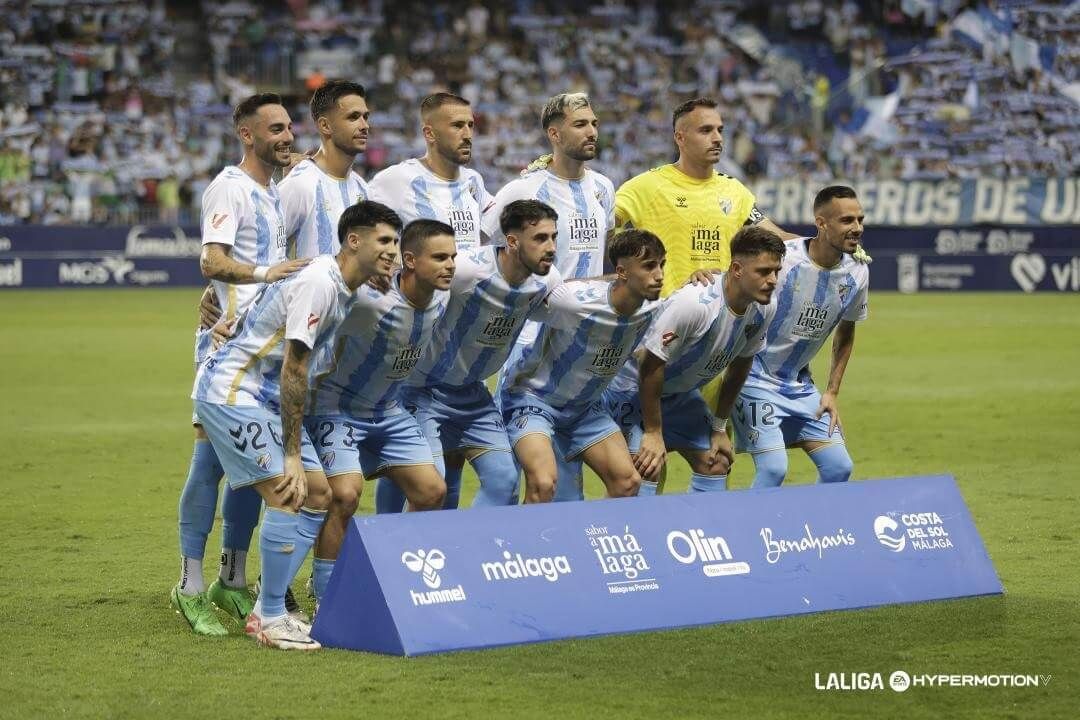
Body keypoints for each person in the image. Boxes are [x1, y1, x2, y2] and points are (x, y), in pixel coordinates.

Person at [191, 200, 402, 650]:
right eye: (384, 241)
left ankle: (272, 604)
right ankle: (268, 616)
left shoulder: (341, 283)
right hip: (234, 392)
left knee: (321, 493)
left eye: (396, 243)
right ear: (354, 240)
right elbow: (294, 369)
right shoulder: (318, 284)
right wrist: (290, 452)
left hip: (262, 396)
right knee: (290, 492)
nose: (393, 252)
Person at [172, 93, 308, 637]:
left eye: (289, 127)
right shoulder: (230, 187)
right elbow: (211, 259)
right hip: (226, 348)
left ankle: (231, 578)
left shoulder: (272, 191)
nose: (286, 136)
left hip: (262, 351)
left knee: (249, 469)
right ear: (246, 135)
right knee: (208, 466)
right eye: (275, 128)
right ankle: (188, 585)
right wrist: (263, 274)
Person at [304, 219, 455, 602]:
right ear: (410, 261)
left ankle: (394, 575)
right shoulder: (368, 298)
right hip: (336, 407)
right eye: (439, 257)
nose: (450, 265)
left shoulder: (444, 297)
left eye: (452, 256)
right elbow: (322, 282)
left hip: (388, 411)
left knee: (433, 490)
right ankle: (326, 595)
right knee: (346, 496)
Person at [392, 200, 562, 511]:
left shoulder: (547, 280)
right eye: (540, 238)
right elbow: (405, 281)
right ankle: (398, 553)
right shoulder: (466, 271)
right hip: (422, 390)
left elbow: (570, 303)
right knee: (429, 487)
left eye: (554, 237)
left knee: (504, 480)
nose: (551, 247)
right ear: (511, 241)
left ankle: (475, 554)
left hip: (473, 395)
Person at [604, 226, 785, 495]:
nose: (772, 280)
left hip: (679, 395)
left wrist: (719, 427)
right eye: (763, 271)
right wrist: (654, 432)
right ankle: (617, 534)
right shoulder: (695, 304)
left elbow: (741, 365)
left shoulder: (765, 306)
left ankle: (702, 533)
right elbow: (650, 365)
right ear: (736, 269)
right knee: (643, 472)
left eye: (776, 271)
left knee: (717, 461)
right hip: (633, 390)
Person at [498, 229, 666, 503]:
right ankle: (526, 545)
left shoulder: (653, 307)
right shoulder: (574, 300)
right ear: (622, 272)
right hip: (534, 399)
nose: (659, 275)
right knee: (543, 483)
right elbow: (531, 297)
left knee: (627, 482)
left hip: (584, 407)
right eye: (649, 266)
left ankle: (597, 541)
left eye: (661, 265)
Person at [731, 185, 869, 487]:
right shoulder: (783, 260)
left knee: (839, 468)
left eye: (860, 219)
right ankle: (749, 531)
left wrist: (831, 392)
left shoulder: (858, 271)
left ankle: (815, 531)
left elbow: (846, 332)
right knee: (773, 469)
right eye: (847, 221)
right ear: (821, 223)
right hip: (753, 379)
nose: (857, 228)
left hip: (799, 384)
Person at [368, 92, 493, 249]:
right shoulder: (399, 179)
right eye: (457, 125)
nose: (468, 135)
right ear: (430, 133)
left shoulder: (473, 180)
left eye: (470, 125)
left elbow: (497, 219)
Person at [279, 80, 370, 259]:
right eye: (353, 117)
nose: (364, 125)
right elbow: (256, 253)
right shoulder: (300, 184)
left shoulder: (363, 188)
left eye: (365, 117)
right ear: (325, 126)